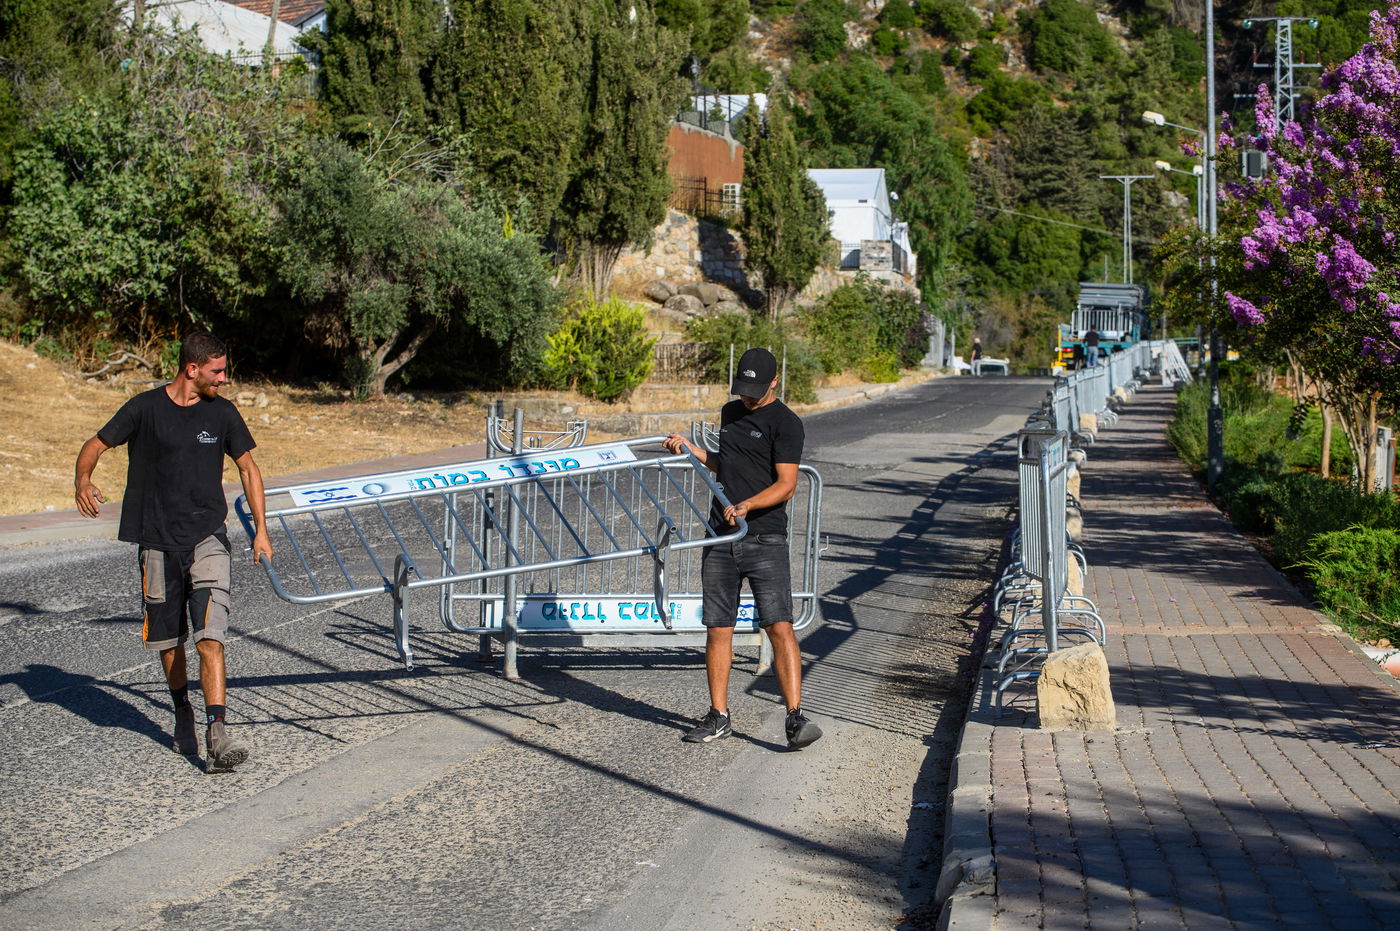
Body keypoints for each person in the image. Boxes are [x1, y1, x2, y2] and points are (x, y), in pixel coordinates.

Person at [74, 332, 273, 772]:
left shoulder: (222, 414)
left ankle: (218, 733)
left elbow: (248, 468)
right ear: (193, 369)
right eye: (218, 371)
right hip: (157, 542)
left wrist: (261, 530)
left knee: (211, 637)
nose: (225, 378)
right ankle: (182, 706)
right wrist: (83, 480)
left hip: (208, 538)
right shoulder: (144, 409)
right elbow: (95, 445)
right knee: (170, 642)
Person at [663, 348, 822, 750]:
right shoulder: (730, 413)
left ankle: (794, 718)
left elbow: (786, 483)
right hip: (721, 535)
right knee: (718, 628)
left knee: (778, 625)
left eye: (755, 390)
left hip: (764, 536)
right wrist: (691, 449)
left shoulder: (787, 424)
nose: (747, 398)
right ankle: (719, 716)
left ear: (774, 383)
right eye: (742, 389)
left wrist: (749, 505)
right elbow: (726, 463)